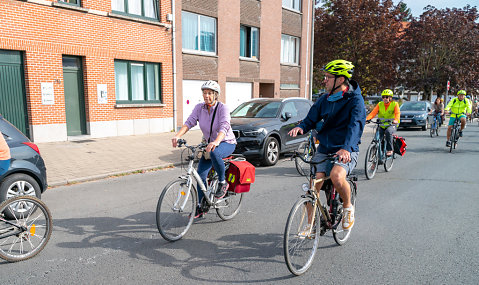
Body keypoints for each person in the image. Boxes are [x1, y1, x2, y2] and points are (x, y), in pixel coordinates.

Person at [289, 59, 366, 231]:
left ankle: (347, 207)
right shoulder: (325, 99)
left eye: (327, 77)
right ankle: (310, 225)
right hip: (325, 148)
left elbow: (356, 126)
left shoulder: (355, 101)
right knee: (312, 188)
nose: (324, 81)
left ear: (340, 80)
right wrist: (301, 127)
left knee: (337, 177)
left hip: (346, 148)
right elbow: (311, 118)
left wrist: (346, 148)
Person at [171, 80, 236, 218]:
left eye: (210, 93)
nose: (207, 96)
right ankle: (201, 207)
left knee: (214, 152)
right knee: (200, 174)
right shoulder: (199, 108)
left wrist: (216, 141)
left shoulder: (222, 108)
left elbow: (224, 126)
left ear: (216, 95)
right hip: (209, 145)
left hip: (226, 142)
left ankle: (223, 183)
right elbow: (189, 122)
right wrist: (177, 135)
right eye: (205, 93)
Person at [365, 89, 400, 156]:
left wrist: (396, 120)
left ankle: (390, 149)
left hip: (391, 124)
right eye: (383, 97)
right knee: (377, 139)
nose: (385, 99)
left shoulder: (395, 104)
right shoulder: (380, 104)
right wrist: (367, 119)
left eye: (386, 97)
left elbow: (397, 113)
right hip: (381, 124)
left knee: (388, 132)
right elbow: (373, 113)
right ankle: (374, 159)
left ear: (390, 97)